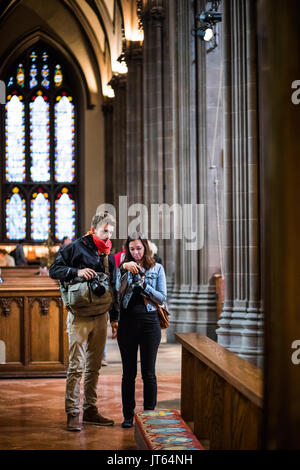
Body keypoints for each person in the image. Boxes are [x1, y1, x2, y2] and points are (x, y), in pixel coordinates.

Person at [49, 212, 119, 432]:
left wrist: (114, 319)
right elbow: (54, 270)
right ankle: (72, 412)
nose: (108, 235)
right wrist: (77, 271)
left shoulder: (107, 253)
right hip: (79, 316)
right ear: (93, 229)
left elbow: (114, 287)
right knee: (76, 366)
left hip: (100, 316)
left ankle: (90, 410)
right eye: (104, 231)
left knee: (94, 367)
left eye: (110, 231)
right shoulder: (76, 247)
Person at [117, 233, 167, 428]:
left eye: (138, 248)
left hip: (150, 323)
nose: (136, 252)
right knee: (128, 373)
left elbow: (162, 298)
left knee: (149, 372)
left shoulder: (157, 268)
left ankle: (149, 415)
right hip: (127, 324)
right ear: (127, 251)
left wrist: (145, 284)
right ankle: (128, 416)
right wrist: (124, 271)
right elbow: (115, 294)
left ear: (145, 248)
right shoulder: (123, 268)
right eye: (131, 249)